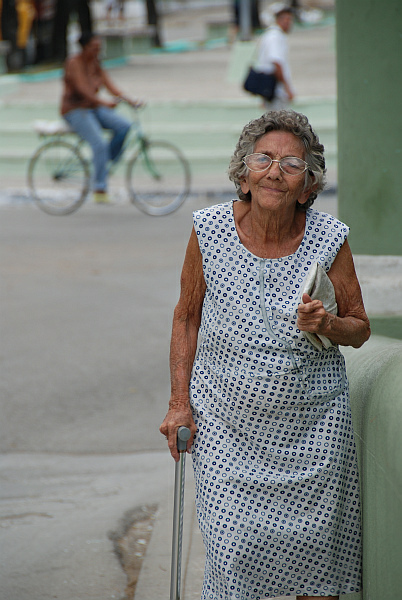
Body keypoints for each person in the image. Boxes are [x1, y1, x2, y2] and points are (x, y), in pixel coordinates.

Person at [160, 110, 370, 600]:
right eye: (264, 158)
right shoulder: (209, 230)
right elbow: (186, 315)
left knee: (318, 566)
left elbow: (360, 328)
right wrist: (178, 402)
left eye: (292, 164)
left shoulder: (329, 239)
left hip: (314, 435)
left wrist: (329, 324)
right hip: (228, 431)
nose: (276, 170)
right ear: (243, 173)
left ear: (308, 184)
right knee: (232, 555)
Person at [61, 31, 141, 203]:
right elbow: (83, 90)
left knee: (124, 127)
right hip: (75, 110)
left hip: (93, 108)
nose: (97, 51)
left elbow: (110, 86)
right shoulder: (74, 63)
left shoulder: (95, 63)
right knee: (99, 144)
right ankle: (99, 188)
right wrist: (104, 103)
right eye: (94, 48)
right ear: (85, 47)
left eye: (99, 48)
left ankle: (104, 163)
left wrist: (130, 100)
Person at [254, 3, 295, 109]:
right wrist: (287, 88)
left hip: (272, 89)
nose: (289, 23)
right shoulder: (274, 37)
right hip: (276, 91)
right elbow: (276, 62)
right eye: (287, 19)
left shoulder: (272, 35)